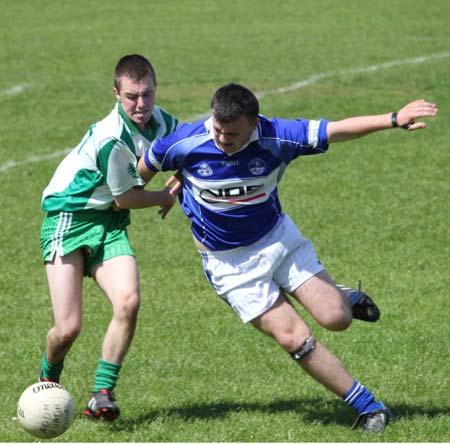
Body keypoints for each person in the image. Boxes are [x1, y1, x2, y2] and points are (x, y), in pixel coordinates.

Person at [138, 83, 437, 433]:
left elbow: (335, 129)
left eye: (232, 133)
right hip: (229, 266)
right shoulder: (183, 142)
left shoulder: (278, 136)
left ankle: (343, 297)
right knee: (295, 338)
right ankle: (368, 407)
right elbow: (137, 175)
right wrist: (164, 191)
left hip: (277, 241)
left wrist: (392, 119)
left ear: (254, 123)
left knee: (336, 318)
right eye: (217, 129)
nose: (222, 138)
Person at [39, 54, 179, 421]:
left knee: (128, 301)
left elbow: (190, 149)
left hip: (110, 223)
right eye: (132, 96)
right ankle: (47, 378)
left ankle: (101, 393)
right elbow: (126, 198)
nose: (141, 104)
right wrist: (165, 197)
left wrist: (179, 179)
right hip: (69, 219)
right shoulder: (112, 138)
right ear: (116, 93)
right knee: (67, 329)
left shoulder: (161, 120)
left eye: (147, 94)